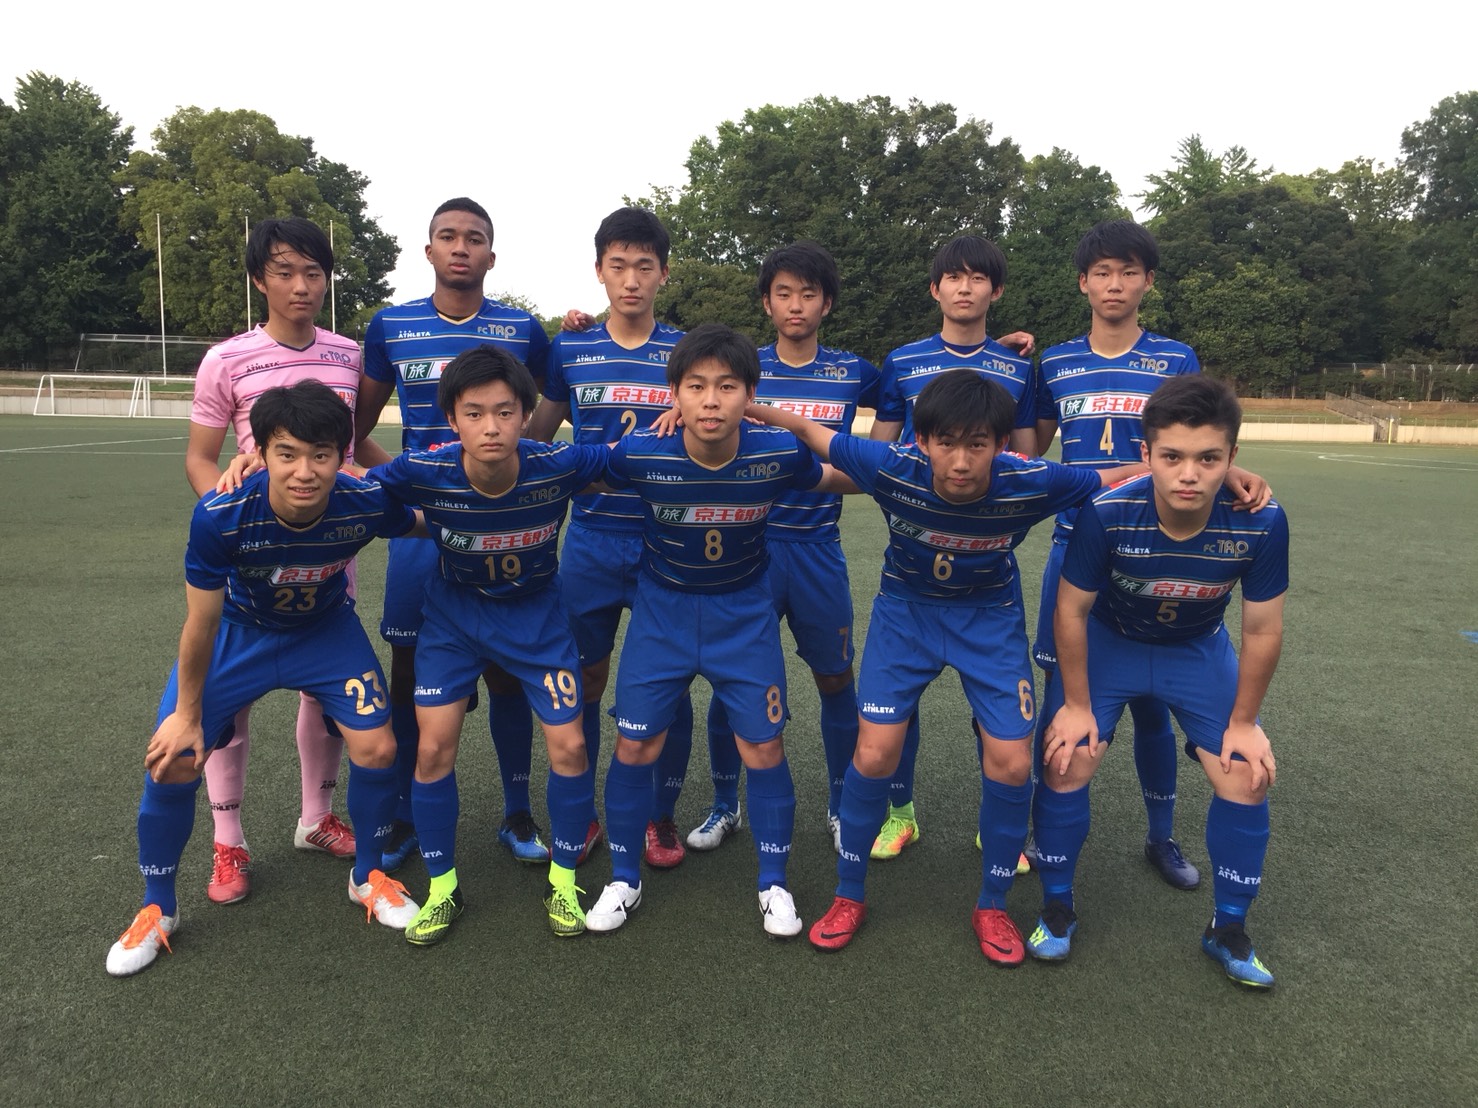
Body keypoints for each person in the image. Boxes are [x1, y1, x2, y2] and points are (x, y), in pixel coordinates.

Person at [750, 369, 1147, 964]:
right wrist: (743, 407)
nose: (961, 461)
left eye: (977, 445)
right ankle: (848, 894)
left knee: (1013, 761)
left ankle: (992, 905)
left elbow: (1117, 474)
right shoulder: (892, 465)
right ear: (923, 440)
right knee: (874, 754)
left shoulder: (1031, 478)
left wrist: (1225, 474)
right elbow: (810, 431)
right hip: (904, 617)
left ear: (1000, 444)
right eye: (947, 444)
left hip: (989, 620)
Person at [106, 382, 421, 976]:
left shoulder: (364, 501)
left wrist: (494, 517)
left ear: (342, 456)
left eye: (321, 455)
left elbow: (423, 523)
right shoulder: (221, 514)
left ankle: (369, 875)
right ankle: (157, 907)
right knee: (172, 758)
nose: (305, 471)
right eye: (287, 454)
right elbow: (200, 624)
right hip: (238, 634)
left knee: (379, 747)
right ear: (260, 453)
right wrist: (188, 714)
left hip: (325, 633)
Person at [1033, 374, 1286, 989]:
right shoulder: (1107, 511)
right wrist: (1075, 704)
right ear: (1146, 454)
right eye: (1172, 457)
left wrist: (1244, 723)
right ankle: (1057, 907)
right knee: (1066, 757)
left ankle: (1228, 928)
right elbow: (1070, 612)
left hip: (1196, 651)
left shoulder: (1263, 521)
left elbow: (1261, 629)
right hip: (1112, 645)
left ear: (1232, 456)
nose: (1189, 475)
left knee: (1246, 774)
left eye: (1208, 459)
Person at [583, 323, 833, 938]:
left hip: (743, 617)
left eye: (727, 386)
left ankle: (773, 884)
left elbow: (838, 471)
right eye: (695, 387)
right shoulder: (642, 451)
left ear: (750, 394)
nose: (712, 400)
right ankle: (623, 878)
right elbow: (572, 470)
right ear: (674, 394)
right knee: (634, 745)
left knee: (764, 748)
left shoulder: (778, 453)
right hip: (661, 616)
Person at [366, 347, 610, 943]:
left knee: (571, 745)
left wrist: (684, 423)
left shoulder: (558, 462)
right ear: (453, 419)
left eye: (505, 412)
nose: (492, 427)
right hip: (453, 620)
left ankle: (562, 881)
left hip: (537, 619)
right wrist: (255, 466)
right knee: (432, 749)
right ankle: (442, 889)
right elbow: (350, 491)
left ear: (527, 414)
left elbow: (637, 460)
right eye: (474, 413)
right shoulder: (424, 468)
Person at [353, 197, 555, 872]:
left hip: (502, 527)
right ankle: (408, 813)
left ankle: (517, 810)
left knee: (505, 670)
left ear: (491, 255)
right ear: (429, 250)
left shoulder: (523, 329)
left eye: (473, 238)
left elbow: (545, 413)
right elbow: (356, 432)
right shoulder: (391, 325)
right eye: (448, 236)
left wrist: (514, 480)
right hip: (422, 533)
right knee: (409, 669)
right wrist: (410, 486)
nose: (460, 247)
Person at [675, 242, 879, 855]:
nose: (796, 305)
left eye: (808, 294)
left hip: (817, 547)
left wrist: (1005, 346)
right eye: (783, 293)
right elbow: (692, 406)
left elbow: (915, 396)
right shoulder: (741, 368)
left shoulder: (856, 372)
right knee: (732, 682)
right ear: (766, 302)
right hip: (750, 547)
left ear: (827, 303)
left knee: (835, 677)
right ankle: (723, 804)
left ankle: (841, 805)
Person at [183, 217, 363, 906]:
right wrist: (228, 519)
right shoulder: (226, 360)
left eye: (313, 272)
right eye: (285, 271)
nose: (301, 285)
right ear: (260, 278)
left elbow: (353, 450)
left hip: (327, 556)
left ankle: (316, 818)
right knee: (231, 701)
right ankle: (228, 841)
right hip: (249, 561)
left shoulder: (349, 355)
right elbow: (201, 459)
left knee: (326, 692)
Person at [1032, 219, 1207, 888]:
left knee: (1151, 702)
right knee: (1059, 695)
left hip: (1151, 553)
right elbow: (1029, 448)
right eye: (1102, 272)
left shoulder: (1175, 359)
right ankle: (1042, 832)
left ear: (1147, 281)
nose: (1115, 284)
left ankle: (1161, 836)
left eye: (1128, 272)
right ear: (1083, 282)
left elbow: (1197, 445)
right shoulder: (1054, 362)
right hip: (1074, 546)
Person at [525, 207, 694, 870]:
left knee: (667, 685)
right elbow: (538, 439)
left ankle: (659, 815)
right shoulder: (569, 348)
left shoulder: (688, 353)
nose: (630, 280)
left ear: (664, 274)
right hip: (591, 542)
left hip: (666, 543)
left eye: (644, 267)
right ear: (598, 271)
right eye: (618, 266)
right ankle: (582, 814)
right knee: (583, 680)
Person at [865, 234, 1037, 861]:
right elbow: (881, 449)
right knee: (896, 707)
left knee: (994, 705)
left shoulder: (1020, 367)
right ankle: (899, 815)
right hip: (914, 554)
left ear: (996, 289)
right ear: (935, 289)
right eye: (953, 278)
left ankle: (998, 828)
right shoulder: (903, 361)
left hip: (986, 561)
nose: (965, 288)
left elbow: (1027, 456)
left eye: (978, 278)